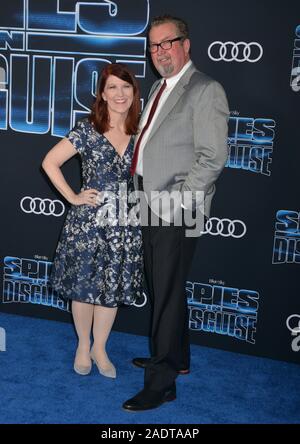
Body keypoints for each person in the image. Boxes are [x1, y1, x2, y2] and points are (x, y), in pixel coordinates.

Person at [123, 15, 229, 411]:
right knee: (165, 288)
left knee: (164, 294)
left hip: (176, 209)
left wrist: (179, 201)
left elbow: (213, 157)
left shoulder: (206, 89)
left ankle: (161, 383)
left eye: (169, 42)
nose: (161, 51)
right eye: (154, 46)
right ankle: (178, 357)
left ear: (187, 44)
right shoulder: (156, 87)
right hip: (146, 202)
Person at [42, 63, 143, 379]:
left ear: (133, 92)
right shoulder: (87, 129)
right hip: (88, 223)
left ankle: (101, 347)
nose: (119, 93)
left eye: (125, 87)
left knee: (110, 288)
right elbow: (50, 162)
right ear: (102, 93)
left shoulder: (142, 130)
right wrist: (73, 197)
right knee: (84, 287)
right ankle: (83, 346)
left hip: (125, 222)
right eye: (112, 87)